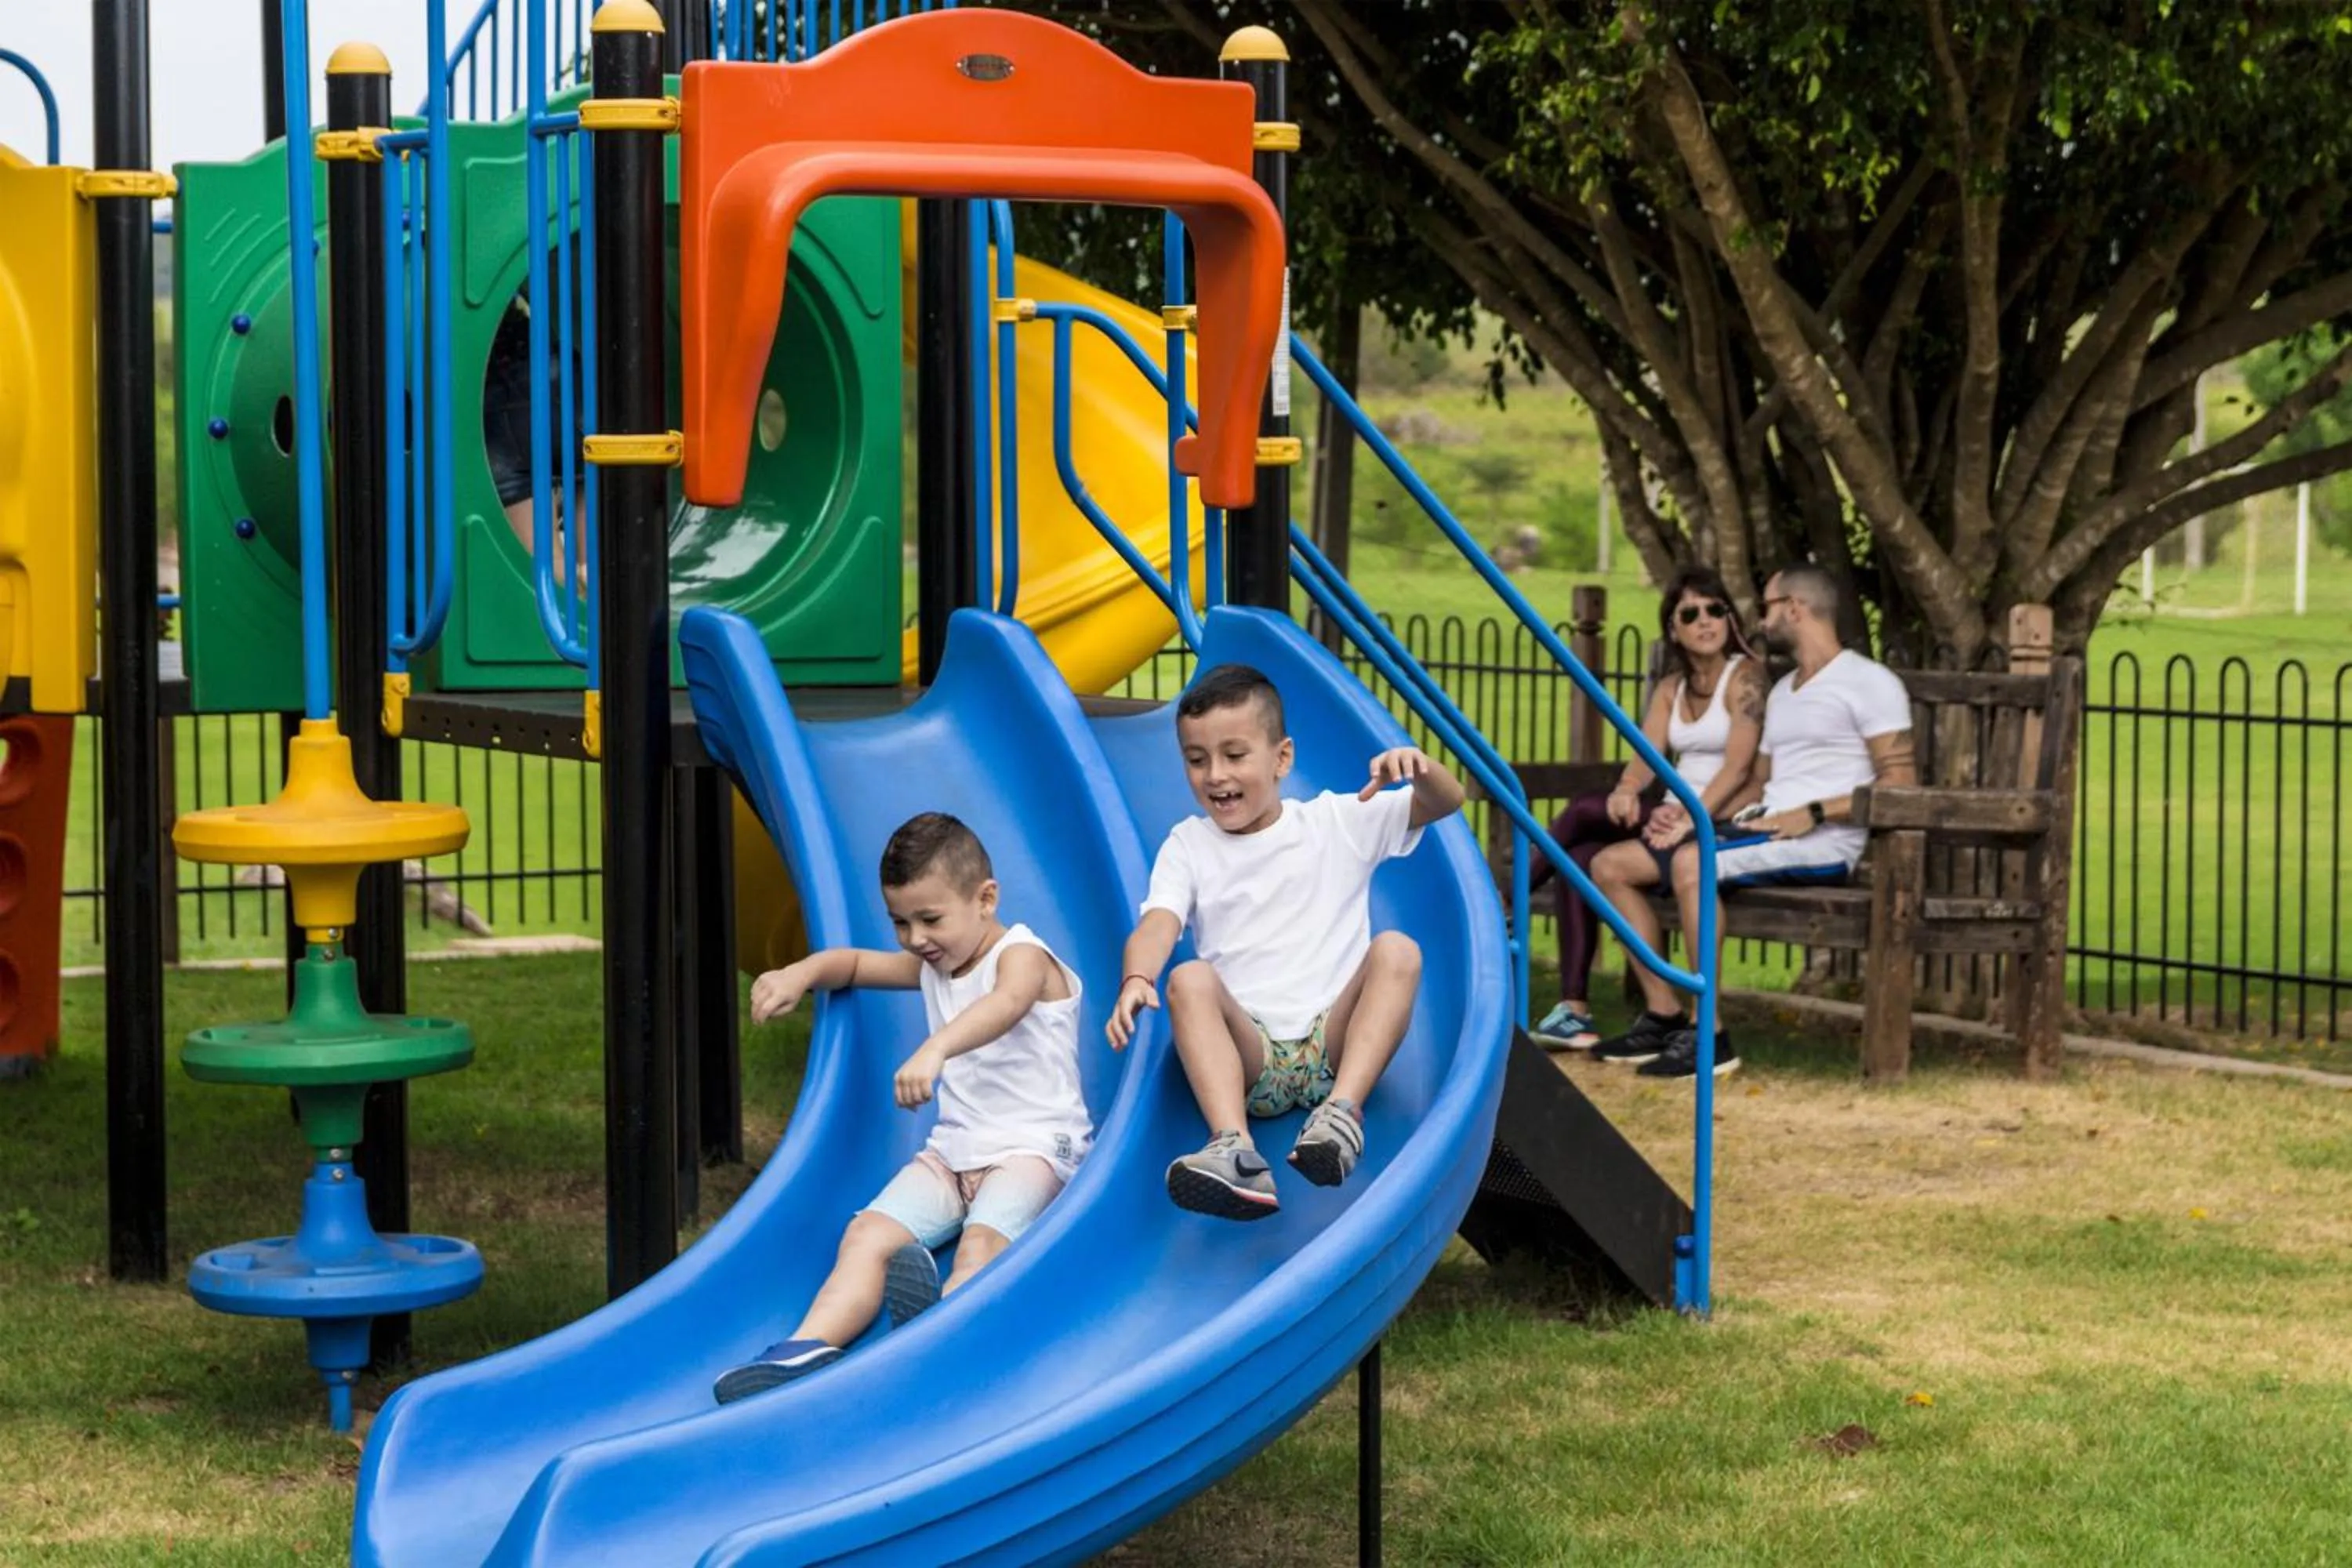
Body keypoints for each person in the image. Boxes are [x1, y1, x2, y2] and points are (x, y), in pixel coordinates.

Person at [713, 812, 1091, 1403]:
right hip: (952, 1155)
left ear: (985, 898)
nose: (916, 939)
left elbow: (1009, 1002)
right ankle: (807, 1345)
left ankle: (943, 1334)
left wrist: (936, 1047)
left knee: (980, 1245)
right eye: (900, 923)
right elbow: (857, 964)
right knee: (868, 1234)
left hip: (1034, 1151)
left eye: (930, 919)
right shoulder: (936, 963)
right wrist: (799, 973)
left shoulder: (1023, 956)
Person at [1106, 664, 1467, 1221]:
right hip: (1251, 1056)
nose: (1215, 775)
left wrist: (1420, 770)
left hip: (1335, 1040)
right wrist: (1136, 978)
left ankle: (1342, 1114)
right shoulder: (1189, 846)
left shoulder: (1336, 822)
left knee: (1399, 950)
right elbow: (1158, 923)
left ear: (1282, 759)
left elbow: (1447, 801)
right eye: (1196, 760)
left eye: (1234, 754)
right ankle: (1234, 1148)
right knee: (1188, 979)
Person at [1588, 564, 1916, 1080]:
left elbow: (1901, 782)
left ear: (1795, 608)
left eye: (1766, 607)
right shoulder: (1784, 691)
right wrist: (1691, 819)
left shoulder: (1869, 682)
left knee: (1693, 867)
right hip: (1758, 828)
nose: (1758, 621)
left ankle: (1709, 1035)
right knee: (1610, 865)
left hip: (1821, 843)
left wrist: (1813, 813)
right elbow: (1757, 782)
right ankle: (1661, 1014)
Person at [1527, 568, 1767, 1051]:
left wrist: (1688, 817)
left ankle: (1506, 898)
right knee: (1592, 862)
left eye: (1716, 609)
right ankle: (1661, 1011)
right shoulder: (1671, 688)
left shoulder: (1746, 677)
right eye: (1691, 613)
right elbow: (1645, 759)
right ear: (1673, 629)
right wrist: (1628, 787)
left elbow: (1739, 769)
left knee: (1579, 812)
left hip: (1719, 818)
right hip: (1670, 817)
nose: (1706, 621)